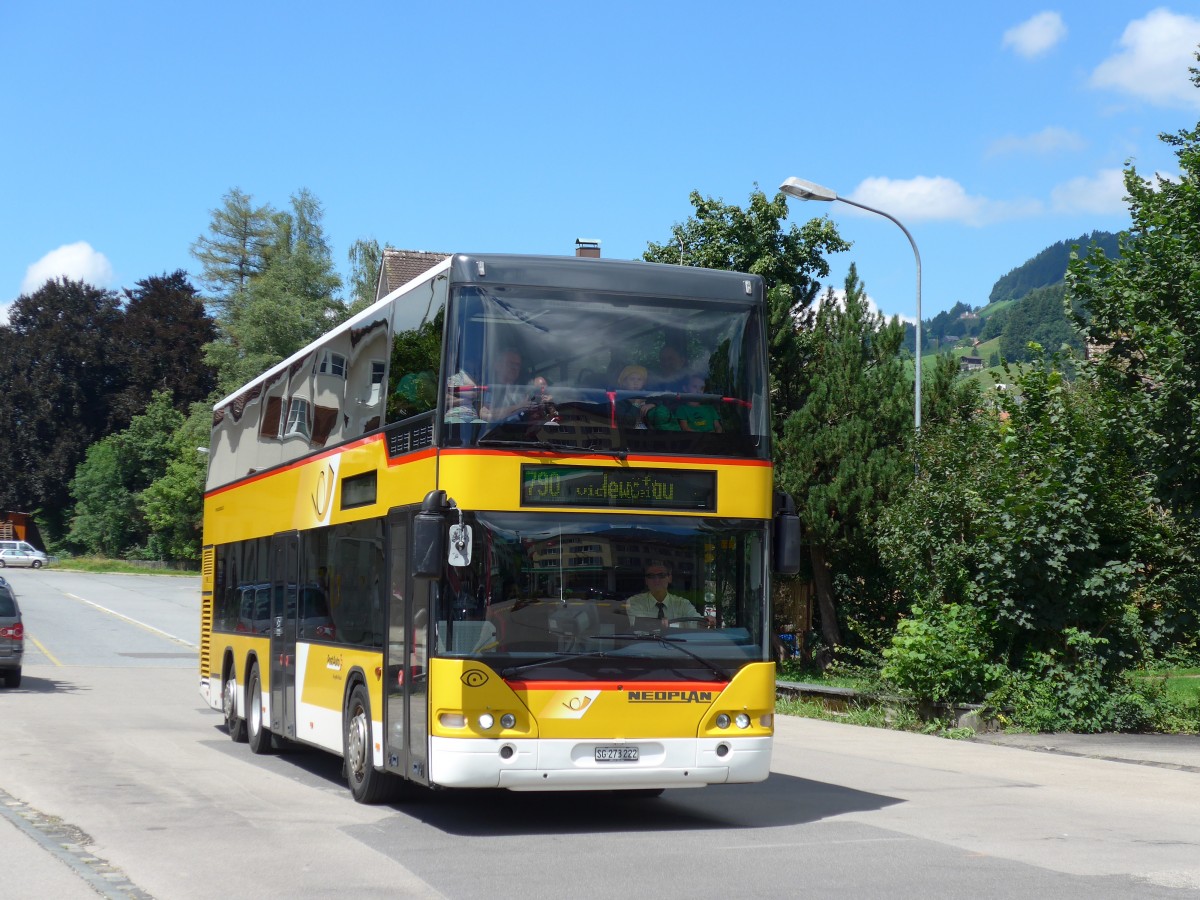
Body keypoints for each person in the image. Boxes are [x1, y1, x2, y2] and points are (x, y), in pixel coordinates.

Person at [625, 562, 696, 625]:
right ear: (646, 580)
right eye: (651, 576)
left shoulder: (682, 604)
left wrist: (706, 621)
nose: (656, 580)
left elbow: (698, 623)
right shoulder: (634, 602)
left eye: (661, 575)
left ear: (669, 578)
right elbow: (639, 626)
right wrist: (678, 625)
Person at [615, 364, 656, 429]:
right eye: (632, 379)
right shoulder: (619, 399)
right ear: (624, 382)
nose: (636, 382)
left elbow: (661, 402)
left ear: (644, 383)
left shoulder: (648, 395)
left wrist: (653, 404)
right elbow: (626, 423)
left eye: (639, 379)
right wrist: (636, 404)